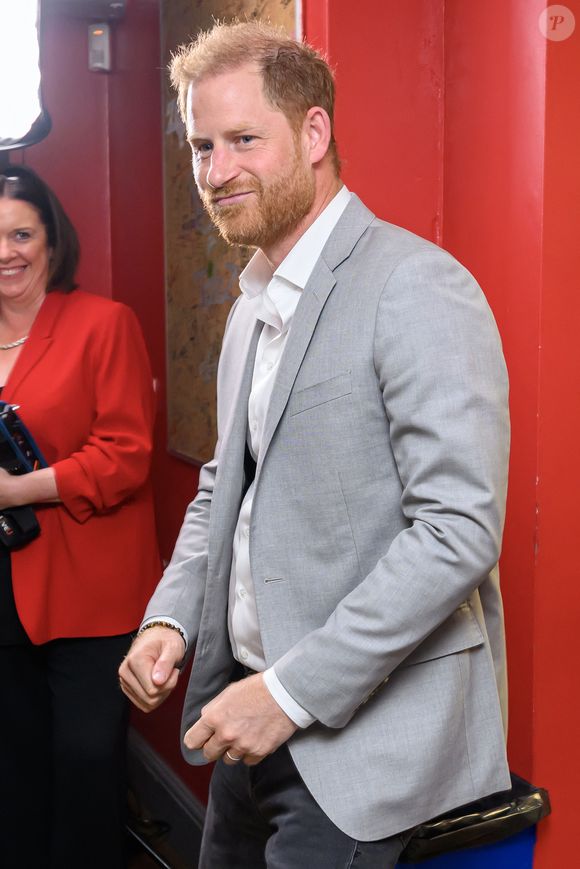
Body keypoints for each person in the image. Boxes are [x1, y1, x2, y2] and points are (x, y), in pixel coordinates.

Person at [119, 21, 511, 869]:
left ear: (315, 133)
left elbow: (458, 532)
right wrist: (171, 619)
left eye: (243, 140)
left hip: (360, 746)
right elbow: (223, 486)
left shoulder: (415, 283)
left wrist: (288, 695)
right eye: (200, 147)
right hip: (247, 723)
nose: (216, 173)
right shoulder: (251, 305)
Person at [0, 165, 160, 868]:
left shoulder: (103, 323)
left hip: (89, 594)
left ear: (52, 242)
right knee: (13, 767)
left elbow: (126, 455)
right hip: (4, 593)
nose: (6, 251)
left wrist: (18, 490)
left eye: (21, 233)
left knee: (87, 766)